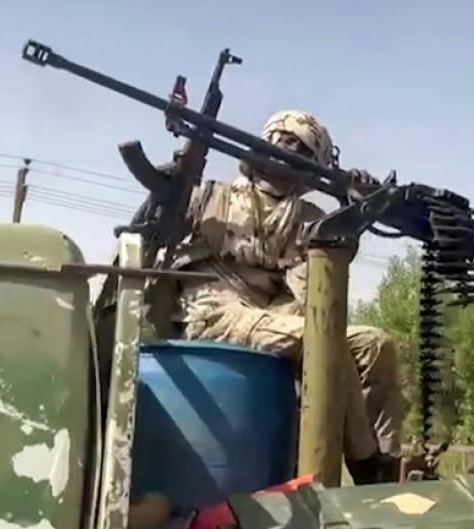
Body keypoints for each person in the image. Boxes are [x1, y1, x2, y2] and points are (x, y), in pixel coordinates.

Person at [163, 110, 403, 484]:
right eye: (282, 140)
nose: (287, 149)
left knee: (376, 345)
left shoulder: (308, 217)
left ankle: (388, 464)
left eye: (301, 148)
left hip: (275, 314)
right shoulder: (212, 196)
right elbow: (155, 228)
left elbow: (316, 295)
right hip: (216, 313)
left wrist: (353, 207)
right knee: (320, 341)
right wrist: (173, 181)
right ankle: (368, 466)